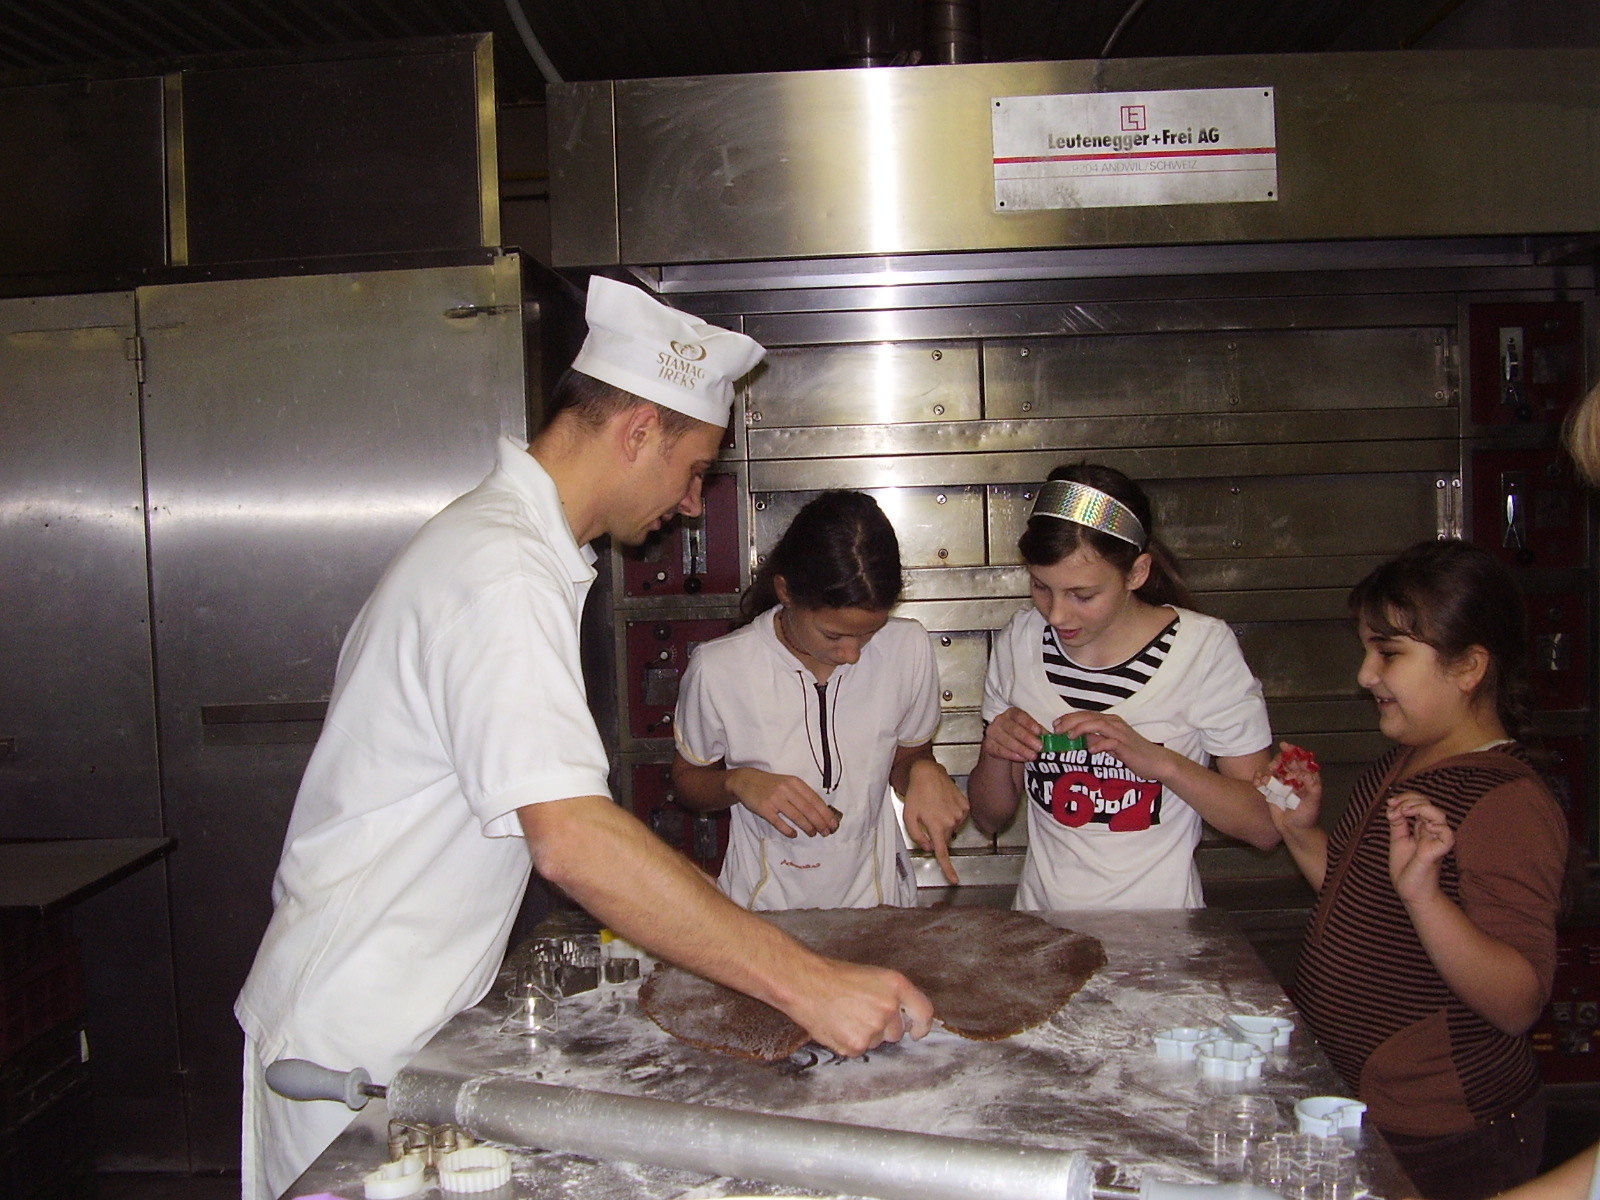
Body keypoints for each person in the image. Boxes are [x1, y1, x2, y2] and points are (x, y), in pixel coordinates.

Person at [234, 277, 934, 1199]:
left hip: (402, 1018)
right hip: (353, 1041)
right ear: (639, 429)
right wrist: (809, 984)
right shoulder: (500, 571)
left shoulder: (515, 552)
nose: (694, 504)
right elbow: (571, 837)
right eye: (695, 470)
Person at [1270, 539, 1568, 1200]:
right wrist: (1300, 833)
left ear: (1468, 668)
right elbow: (1364, 902)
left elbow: (1518, 1000)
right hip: (1365, 1109)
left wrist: (1425, 897)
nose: (1365, 675)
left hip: (1448, 1137)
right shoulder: (1404, 761)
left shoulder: (1506, 802)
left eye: (1389, 654)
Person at [966, 463, 1279, 910]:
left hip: (1162, 930)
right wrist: (997, 752)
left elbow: (1264, 826)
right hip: (1042, 926)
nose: (1056, 614)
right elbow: (989, 818)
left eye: (1083, 595)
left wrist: (1161, 763)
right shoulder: (1020, 641)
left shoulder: (1203, 650)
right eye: (1041, 587)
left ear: (1136, 573)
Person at [671, 490, 970, 908]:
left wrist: (924, 773)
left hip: (879, 904)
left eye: (869, 633)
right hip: (763, 909)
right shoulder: (721, 667)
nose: (852, 654)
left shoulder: (907, 647)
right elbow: (687, 781)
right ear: (786, 592)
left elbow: (909, 755)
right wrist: (737, 781)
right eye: (833, 635)